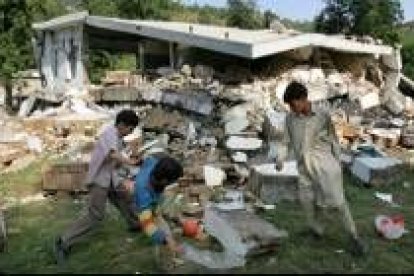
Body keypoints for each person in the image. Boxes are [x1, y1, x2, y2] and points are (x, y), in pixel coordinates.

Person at [276, 81, 367, 256]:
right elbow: (285, 141)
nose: (291, 108)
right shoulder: (290, 118)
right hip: (304, 168)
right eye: (289, 105)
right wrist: (280, 158)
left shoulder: (322, 115)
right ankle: (316, 231)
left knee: (338, 203)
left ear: (303, 99)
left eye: (293, 104)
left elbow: (333, 139)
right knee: (308, 203)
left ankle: (354, 237)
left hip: (325, 167)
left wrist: (337, 161)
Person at [54, 109, 141, 264]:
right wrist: (132, 162)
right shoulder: (109, 134)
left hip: (111, 179)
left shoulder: (118, 137)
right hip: (100, 181)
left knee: (125, 199)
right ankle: (63, 241)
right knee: (95, 215)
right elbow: (113, 154)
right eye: (130, 128)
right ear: (121, 124)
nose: (131, 132)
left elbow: (115, 159)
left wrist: (129, 163)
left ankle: (136, 225)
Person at [122, 154, 184, 254]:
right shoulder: (143, 193)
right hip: (144, 202)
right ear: (164, 180)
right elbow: (147, 224)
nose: (175, 182)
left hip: (154, 197)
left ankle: (168, 243)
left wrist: (137, 161)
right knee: (164, 234)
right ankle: (165, 261)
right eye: (173, 180)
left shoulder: (154, 164)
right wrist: (166, 240)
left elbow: (147, 158)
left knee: (163, 221)